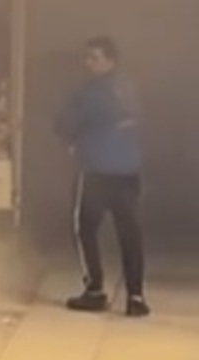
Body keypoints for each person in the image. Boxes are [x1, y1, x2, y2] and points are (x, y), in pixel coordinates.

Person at [55, 36, 149, 317]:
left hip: (95, 171)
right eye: (87, 58)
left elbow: (64, 121)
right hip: (129, 172)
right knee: (130, 235)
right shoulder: (130, 89)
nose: (88, 63)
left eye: (94, 58)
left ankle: (95, 290)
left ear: (110, 59)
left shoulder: (90, 91)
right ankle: (136, 297)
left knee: (84, 230)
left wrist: (72, 140)